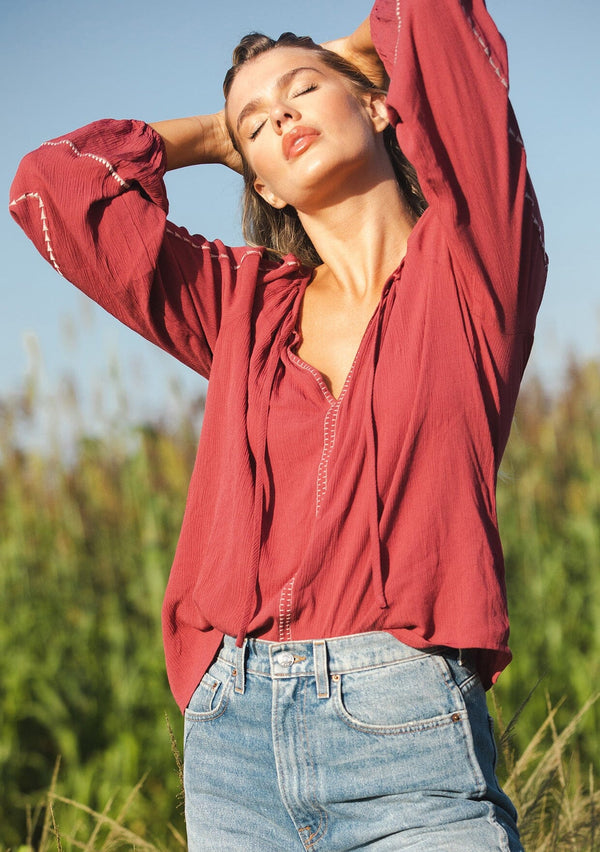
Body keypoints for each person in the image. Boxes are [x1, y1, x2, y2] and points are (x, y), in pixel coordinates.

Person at [10, 0, 547, 848]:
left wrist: (352, 49)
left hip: (404, 722)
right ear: (256, 180)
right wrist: (212, 134)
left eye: (302, 91)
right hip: (234, 735)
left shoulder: (472, 260)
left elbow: (441, 23)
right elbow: (52, 185)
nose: (281, 115)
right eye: (257, 123)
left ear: (378, 105)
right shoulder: (243, 305)